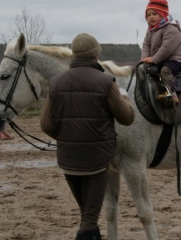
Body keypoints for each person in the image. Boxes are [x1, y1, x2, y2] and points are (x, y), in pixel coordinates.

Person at [40, 33, 135, 240]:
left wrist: (69, 137)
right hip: (97, 162)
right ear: (95, 56)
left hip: (68, 161)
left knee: (87, 214)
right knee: (89, 220)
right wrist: (125, 98)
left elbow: (46, 124)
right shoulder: (106, 82)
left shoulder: (55, 83)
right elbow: (127, 118)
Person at [140, 0, 181, 105]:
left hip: (174, 59)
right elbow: (146, 44)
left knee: (165, 71)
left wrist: (154, 58)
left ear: (162, 14)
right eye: (148, 15)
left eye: (154, 14)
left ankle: (172, 94)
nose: (151, 17)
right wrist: (144, 59)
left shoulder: (171, 28)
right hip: (160, 59)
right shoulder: (151, 29)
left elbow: (167, 48)